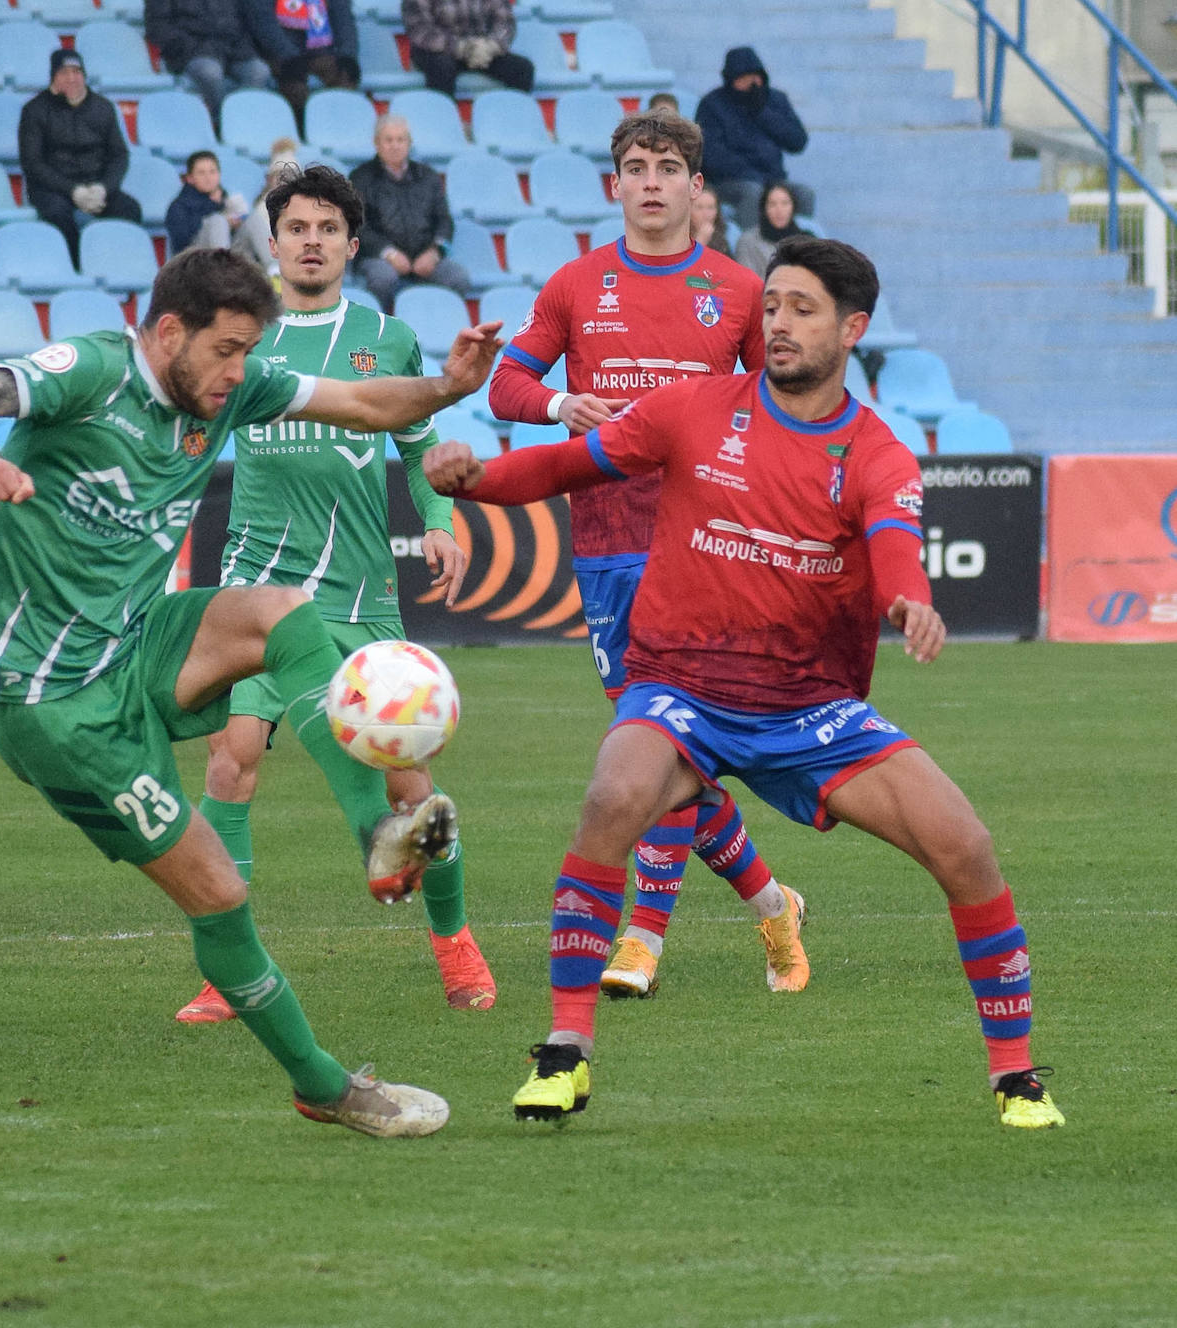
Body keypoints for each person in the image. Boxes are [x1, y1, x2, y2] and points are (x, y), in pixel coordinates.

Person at [427, 235, 1066, 1133]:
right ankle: (565, 1053)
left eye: (801, 308)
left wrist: (909, 600)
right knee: (614, 795)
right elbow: (575, 463)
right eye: (770, 306)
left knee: (966, 846)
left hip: (811, 708)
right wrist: (479, 480)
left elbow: (893, 540)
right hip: (681, 690)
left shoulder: (875, 450)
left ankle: (1016, 1078)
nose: (779, 323)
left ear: (854, 328)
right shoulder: (693, 407)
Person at [0, 245, 503, 1137]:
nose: (240, 374)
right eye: (227, 351)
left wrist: (450, 389)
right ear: (168, 332)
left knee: (283, 612)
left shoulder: (229, 386)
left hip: (134, 643)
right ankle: (324, 1085)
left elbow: (361, 402)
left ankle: (379, 837)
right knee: (222, 894)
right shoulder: (92, 370)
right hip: (55, 705)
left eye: (248, 353)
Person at [488, 110, 805, 1001]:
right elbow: (509, 383)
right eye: (637, 166)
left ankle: (643, 937)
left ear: (697, 187)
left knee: (666, 744)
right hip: (605, 548)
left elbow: (780, 402)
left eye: (670, 167)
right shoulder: (577, 286)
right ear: (615, 184)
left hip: (708, 549)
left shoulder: (740, 290)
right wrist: (562, 408)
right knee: (666, 756)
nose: (654, 181)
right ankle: (773, 903)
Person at [175, 163, 495, 1024]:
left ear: (353, 244)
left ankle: (454, 940)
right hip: (253, 587)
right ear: (271, 242)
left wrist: (436, 517)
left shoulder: (385, 338)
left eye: (326, 227)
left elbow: (419, 442)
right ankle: (229, 974)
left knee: (405, 784)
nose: (310, 240)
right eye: (295, 227)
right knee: (229, 762)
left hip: (357, 593)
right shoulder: (240, 339)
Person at [18, 48, 142, 269]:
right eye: (64, 73)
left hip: (96, 185)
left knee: (129, 209)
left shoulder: (103, 107)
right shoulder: (34, 110)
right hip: (54, 187)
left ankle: (116, 266)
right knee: (58, 214)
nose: (72, 78)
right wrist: (73, 190)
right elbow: (32, 163)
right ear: (53, 78)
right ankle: (77, 269)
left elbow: (119, 155)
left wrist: (104, 188)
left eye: (77, 72)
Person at [349, 115, 470, 313]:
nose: (395, 146)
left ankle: (438, 326)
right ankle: (379, 330)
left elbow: (444, 220)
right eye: (388, 140)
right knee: (382, 278)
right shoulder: (360, 177)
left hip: (424, 253)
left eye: (400, 140)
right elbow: (358, 226)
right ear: (376, 143)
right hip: (379, 257)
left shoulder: (428, 176)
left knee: (458, 278)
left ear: (409, 143)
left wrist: (435, 252)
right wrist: (389, 253)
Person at [695, 46, 813, 231]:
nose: (751, 84)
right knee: (752, 193)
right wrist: (750, 172)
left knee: (804, 195)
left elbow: (798, 141)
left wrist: (763, 113)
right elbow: (710, 154)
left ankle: (800, 250)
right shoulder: (712, 105)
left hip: (772, 179)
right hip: (730, 180)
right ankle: (749, 248)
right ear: (731, 80)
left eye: (755, 78)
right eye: (743, 79)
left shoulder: (774, 100)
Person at [144, 0, 272, 130]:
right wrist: (186, 47)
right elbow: (157, 27)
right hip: (190, 52)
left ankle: (243, 120)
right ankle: (221, 122)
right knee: (209, 72)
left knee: (259, 71)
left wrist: (244, 48)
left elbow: (243, 23)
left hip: (233, 48)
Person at [245, 0, 361, 139]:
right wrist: (288, 55)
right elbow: (263, 21)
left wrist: (348, 55)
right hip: (280, 52)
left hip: (319, 49)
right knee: (295, 84)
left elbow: (344, 19)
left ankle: (340, 133)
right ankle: (300, 136)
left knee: (345, 75)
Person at [401, 0, 534, 99]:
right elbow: (420, 30)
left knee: (522, 69)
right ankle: (444, 124)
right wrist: (461, 48)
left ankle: (509, 124)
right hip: (437, 49)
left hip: (481, 49)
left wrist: (491, 46)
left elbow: (505, 22)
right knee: (442, 68)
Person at [230, 137, 298, 273]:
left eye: (290, 176)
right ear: (269, 179)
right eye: (279, 176)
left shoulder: (303, 207)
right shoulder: (262, 206)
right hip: (254, 261)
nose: (284, 181)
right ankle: (275, 270)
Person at [165, 149, 249, 256]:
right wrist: (213, 207)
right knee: (217, 220)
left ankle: (273, 268)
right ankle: (222, 269)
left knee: (252, 220)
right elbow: (182, 243)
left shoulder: (225, 199)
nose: (208, 178)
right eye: (201, 173)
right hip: (194, 260)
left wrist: (235, 225)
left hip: (231, 255)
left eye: (212, 172)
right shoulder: (179, 206)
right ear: (190, 178)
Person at [734, 181, 807, 277]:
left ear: (793, 207)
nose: (779, 210)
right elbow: (746, 282)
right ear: (764, 209)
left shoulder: (806, 240)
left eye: (785, 203)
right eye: (772, 204)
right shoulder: (748, 242)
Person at [690, 183, 730, 257]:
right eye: (699, 207)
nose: (706, 214)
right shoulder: (676, 238)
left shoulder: (723, 237)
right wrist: (700, 241)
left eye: (710, 207)